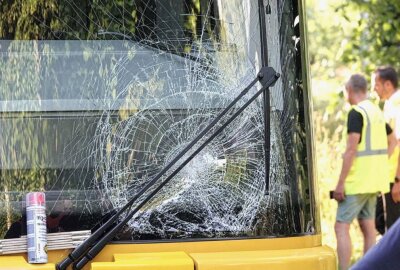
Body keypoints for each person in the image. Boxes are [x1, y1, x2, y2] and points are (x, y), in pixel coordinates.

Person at [333, 74, 395, 270]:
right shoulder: (375, 111)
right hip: (375, 181)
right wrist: (380, 163)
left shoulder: (356, 113)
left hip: (357, 182)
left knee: (341, 226)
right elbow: (393, 140)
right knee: (368, 227)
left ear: (349, 90)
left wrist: (340, 184)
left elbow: (351, 149)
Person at [374, 66, 400, 231]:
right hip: (389, 177)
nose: (373, 89)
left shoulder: (397, 103)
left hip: (395, 179)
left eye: (376, 84)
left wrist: (398, 181)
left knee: (393, 231)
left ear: (388, 85)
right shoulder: (391, 103)